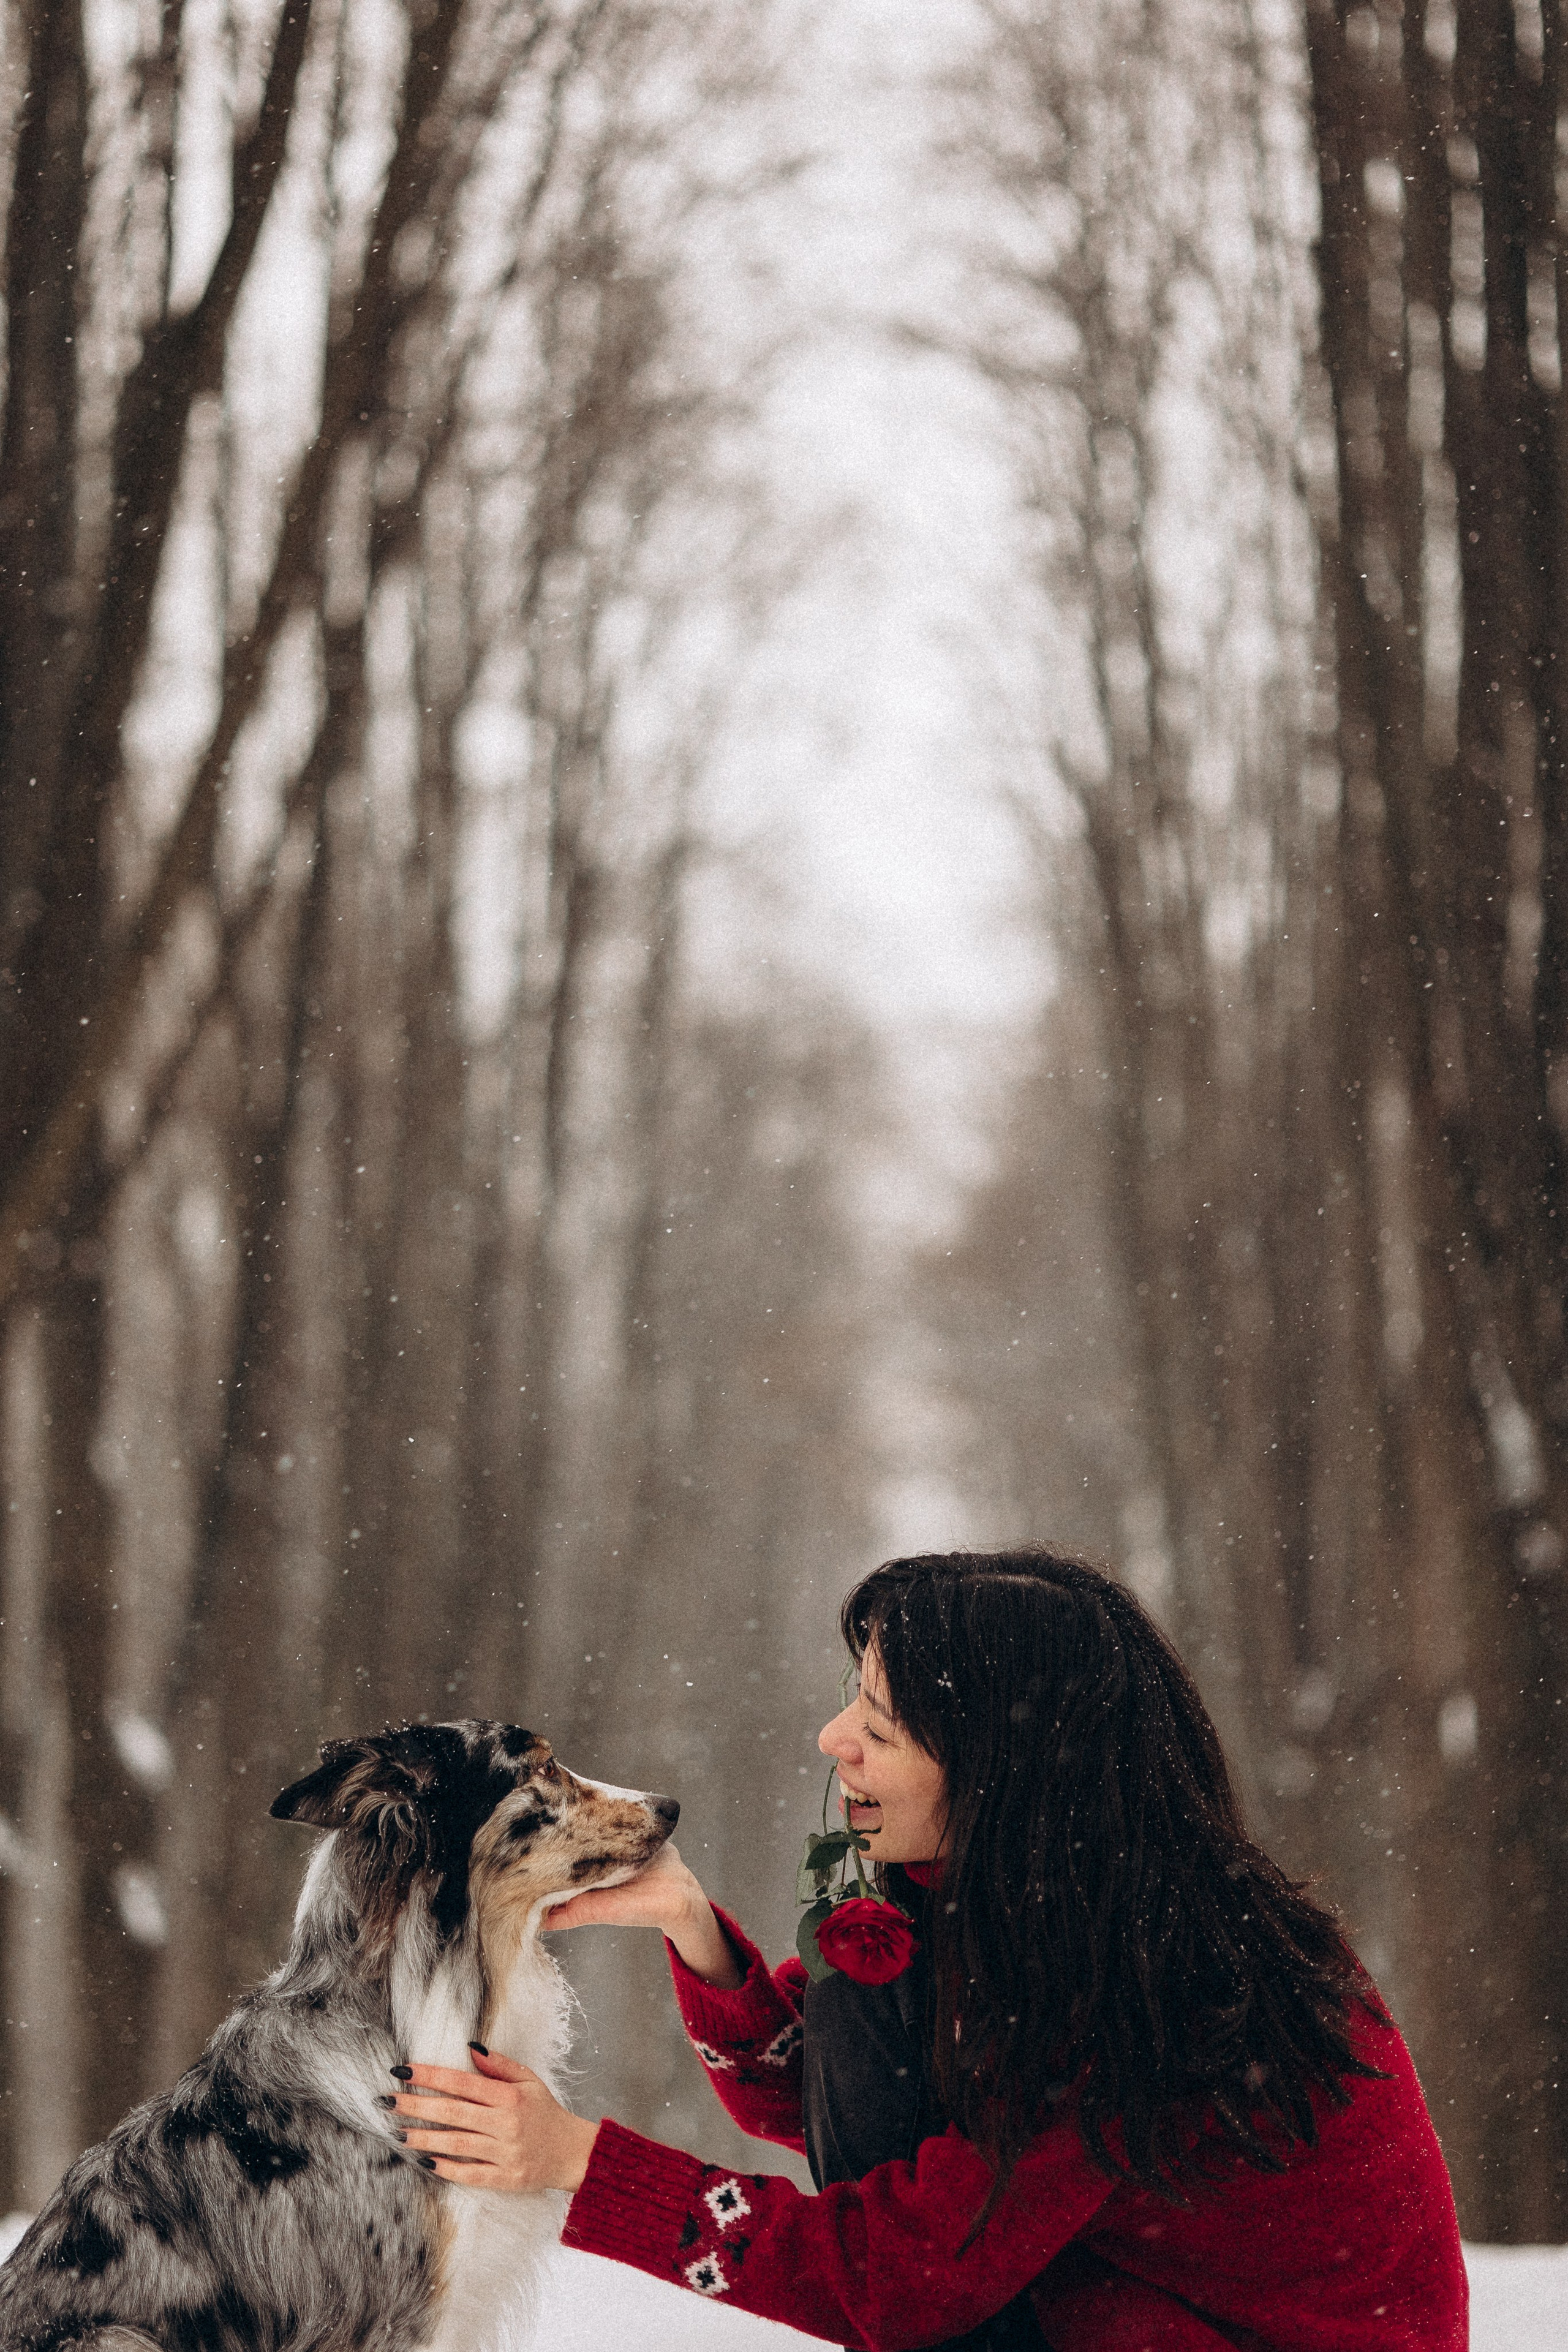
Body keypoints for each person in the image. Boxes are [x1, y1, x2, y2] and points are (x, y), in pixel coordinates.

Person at [394, 1550, 1467, 2349]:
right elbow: (853, 2105)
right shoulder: (1027, 1905)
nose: (833, 1740)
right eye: (854, 1697)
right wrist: (697, 1934)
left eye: (883, 1727)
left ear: (999, 1779)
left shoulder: (1143, 1987)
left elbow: (890, 2272)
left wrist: (585, 2166)